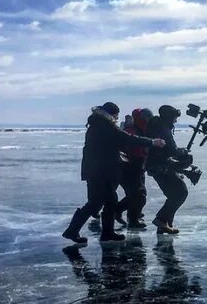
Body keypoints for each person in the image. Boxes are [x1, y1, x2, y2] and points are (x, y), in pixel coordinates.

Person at [62, 102, 165, 245]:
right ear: (111, 114)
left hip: (98, 170)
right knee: (95, 203)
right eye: (116, 115)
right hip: (100, 172)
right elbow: (126, 138)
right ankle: (73, 231)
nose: (117, 118)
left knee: (109, 201)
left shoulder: (97, 124)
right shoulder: (105, 126)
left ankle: (107, 233)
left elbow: (112, 144)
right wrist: (152, 142)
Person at [146, 105, 192, 234]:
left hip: (156, 166)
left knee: (172, 195)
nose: (175, 121)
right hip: (161, 167)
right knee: (180, 192)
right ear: (169, 118)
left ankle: (165, 224)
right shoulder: (163, 130)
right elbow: (172, 150)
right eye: (174, 118)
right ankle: (161, 219)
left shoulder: (156, 126)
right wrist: (183, 153)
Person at [114, 108, 154, 229]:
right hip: (129, 167)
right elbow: (133, 147)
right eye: (146, 119)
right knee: (138, 194)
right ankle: (128, 216)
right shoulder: (131, 130)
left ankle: (131, 216)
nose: (148, 121)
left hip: (137, 166)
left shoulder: (141, 130)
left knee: (137, 194)